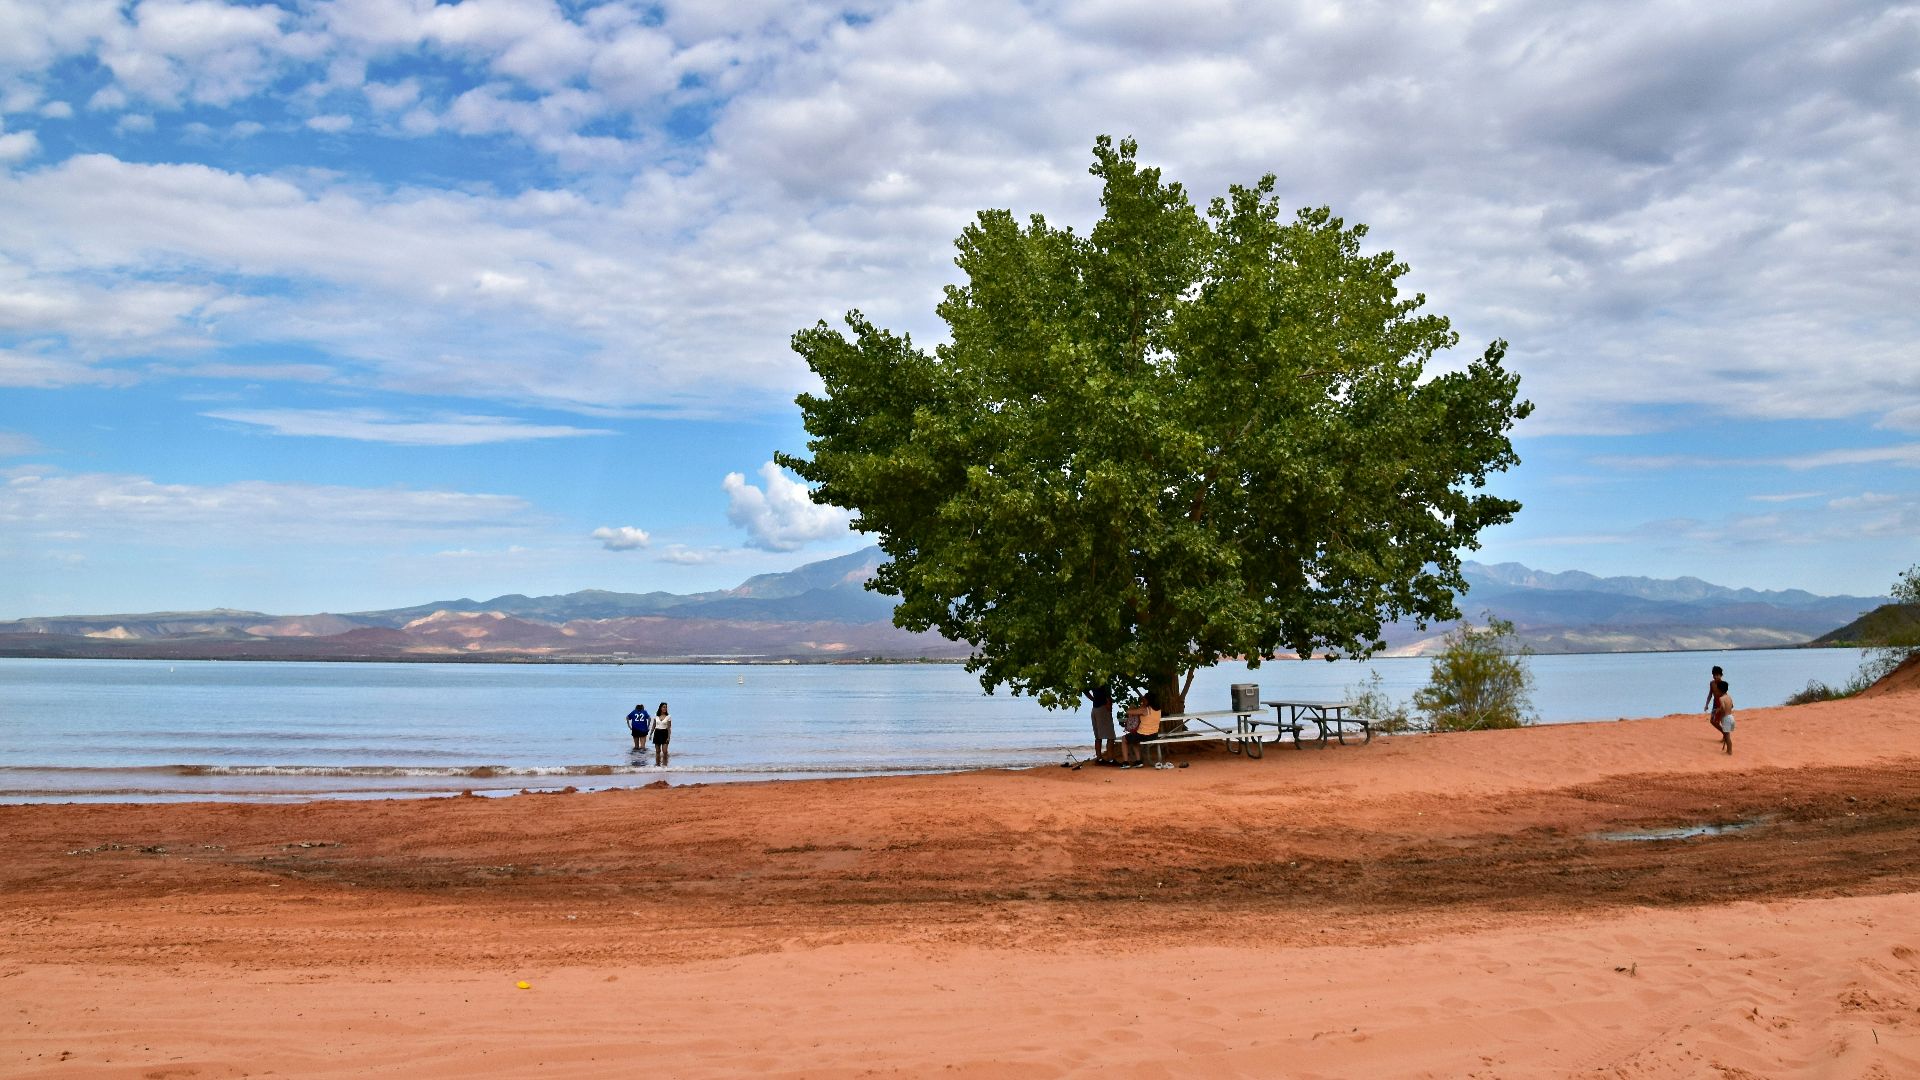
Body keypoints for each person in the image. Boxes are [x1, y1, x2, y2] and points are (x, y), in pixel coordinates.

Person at [1120, 690, 1163, 769]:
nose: (1144, 701)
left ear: (1148, 701)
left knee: (1124, 739)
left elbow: (1129, 711)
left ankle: (1125, 762)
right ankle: (1138, 761)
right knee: (1134, 739)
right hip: (1154, 735)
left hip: (1143, 735)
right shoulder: (1158, 710)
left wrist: (1134, 706)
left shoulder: (1144, 710)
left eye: (1145, 700)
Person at [1088, 686, 1118, 764]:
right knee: (1110, 736)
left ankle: (1099, 759)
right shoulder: (1104, 681)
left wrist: (1093, 699)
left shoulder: (1093, 680)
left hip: (1094, 709)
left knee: (1098, 737)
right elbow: (1108, 696)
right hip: (1102, 709)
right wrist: (1109, 707)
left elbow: (1084, 690)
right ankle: (1111, 759)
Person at [1712, 679, 1735, 755]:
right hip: (1731, 717)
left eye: (1717, 690)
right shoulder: (1729, 697)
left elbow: (1723, 708)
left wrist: (1718, 710)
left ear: (1720, 690)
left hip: (1726, 719)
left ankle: (1729, 751)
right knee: (1727, 735)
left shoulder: (1721, 698)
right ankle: (1728, 750)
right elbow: (1732, 706)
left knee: (1727, 736)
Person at [652, 701, 673, 766]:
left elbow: (669, 728)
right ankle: (657, 764)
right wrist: (650, 734)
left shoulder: (668, 716)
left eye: (666, 707)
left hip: (664, 733)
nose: (665, 708)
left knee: (665, 751)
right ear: (660, 708)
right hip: (657, 733)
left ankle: (665, 764)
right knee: (657, 751)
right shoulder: (656, 715)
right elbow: (654, 725)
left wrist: (669, 737)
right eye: (663, 707)